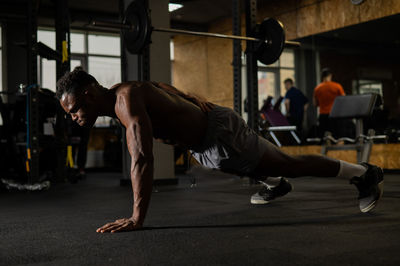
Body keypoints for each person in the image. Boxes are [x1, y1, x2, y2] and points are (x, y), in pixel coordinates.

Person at [56, 68, 384, 233]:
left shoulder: (125, 102)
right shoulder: (120, 93)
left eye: (72, 110)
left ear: (88, 93)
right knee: (240, 166)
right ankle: (276, 183)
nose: (73, 118)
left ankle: (364, 175)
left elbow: (141, 158)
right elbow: (157, 86)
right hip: (206, 142)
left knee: (290, 163)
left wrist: (136, 218)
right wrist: (188, 99)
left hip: (219, 133)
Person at [313, 68, 345, 138]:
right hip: (335, 114)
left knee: (325, 136)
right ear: (330, 76)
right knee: (337, 136)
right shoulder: (337, 86)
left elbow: (315, 104)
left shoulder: (317, 88)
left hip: (323, 115)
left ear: (322, 76)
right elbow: (344, 100)